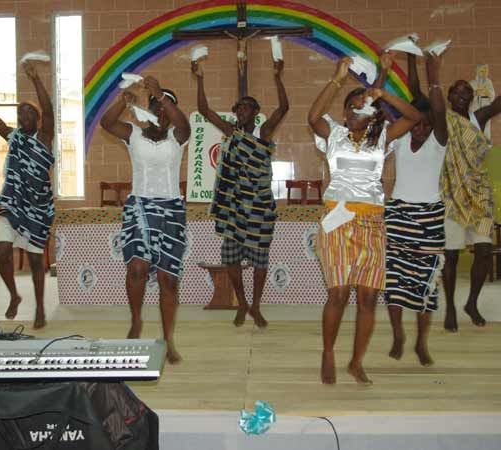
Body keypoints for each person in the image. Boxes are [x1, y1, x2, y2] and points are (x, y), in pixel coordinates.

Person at [308, 56, 420, 384]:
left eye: (364, 105)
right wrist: (337, 78)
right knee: (339, 293)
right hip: (338, 220)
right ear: (345, 113)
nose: (359, 109)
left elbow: (415, 117)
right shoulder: (333, 134)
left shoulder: (382, 137)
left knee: (369, 297)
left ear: (372, 113)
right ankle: (328, 352)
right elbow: (312, 116)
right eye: (353, 106)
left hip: (373, 222)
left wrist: (382, 93)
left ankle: (356, 362)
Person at [191, 58, 289, 328]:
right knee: (231, 258)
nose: (241, 111)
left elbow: (284, 108)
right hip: (235, 209)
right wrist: (200, 78)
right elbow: (204, 110)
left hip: (259, 208)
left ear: (255, 112)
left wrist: (278, 77)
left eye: (246, 108)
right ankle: (242, 302)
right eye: (238, 109)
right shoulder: (231, 132)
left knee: (260, 261)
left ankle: (256, 305)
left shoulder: (263, 132)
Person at [99, 77, 191, 363]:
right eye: (157, 107)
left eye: (167, 107)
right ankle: (136, 320)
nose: (162, 112)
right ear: (148, 110)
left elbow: (184, 124)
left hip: (172, 209)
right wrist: (124, 100)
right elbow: (106, 123)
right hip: (140, 205)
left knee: (168, 280)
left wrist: (160, 94)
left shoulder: (178, 136)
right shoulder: (133, 134)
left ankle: (168, 339)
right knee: (138, 268)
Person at [414, 64, 501, 331]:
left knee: (484, 251)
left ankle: (471, 302)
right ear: (450, 96)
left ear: (472, 98)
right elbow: (416, 93)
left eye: (467, 93)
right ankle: (450, 306)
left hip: (479, 195)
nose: (463, 96)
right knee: (450, 255)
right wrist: (411, 57)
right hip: (451, 195)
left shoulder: (478, 118)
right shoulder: (441, 118)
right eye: (458, 92)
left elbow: (498, 103)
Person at [0, 60, 55, 329]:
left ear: (37, 119)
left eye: (29, 112)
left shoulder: (44, 137)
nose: (24, 115)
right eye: (21, 113)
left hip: (37, 208)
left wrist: (36, 79)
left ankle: (40, 307)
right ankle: (14, 295)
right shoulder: (15, 137)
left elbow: (49, 109)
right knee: (1, 251)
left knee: (35, 260)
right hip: (13, 203)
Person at [376, 53, 448, 366]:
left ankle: (421, 342)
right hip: (398, 215)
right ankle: (398, 335)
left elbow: (439, 110)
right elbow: (377, 113)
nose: (421, 128)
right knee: (394, 280)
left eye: (426, 124)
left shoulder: (439, 142)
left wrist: (434, 76)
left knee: (426, 284)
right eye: (417, 123)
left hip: (430, 219)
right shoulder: (399, 140)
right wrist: (381, 76)